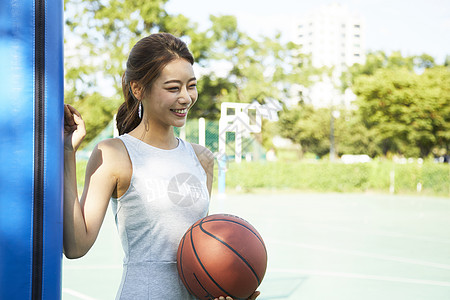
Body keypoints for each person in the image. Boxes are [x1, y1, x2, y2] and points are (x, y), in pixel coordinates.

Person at [63, 33, 260, 300]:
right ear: (138, 89)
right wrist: (67, 154)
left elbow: (201, 252)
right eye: (172, 88)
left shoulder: (202, 158)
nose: (186, 98)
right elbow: (76, 245)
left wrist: (230, 287)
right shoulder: (113, 153)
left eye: (191, 86)